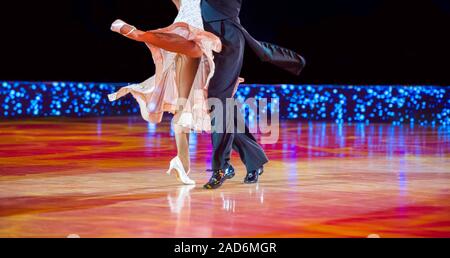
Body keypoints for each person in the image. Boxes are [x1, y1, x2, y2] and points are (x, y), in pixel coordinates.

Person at [108, 0, 223, 185]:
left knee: (183, 105)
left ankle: (182, 163)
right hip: (188, 34)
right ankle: (140, 34)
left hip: (189, 37)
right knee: (192, 61)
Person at [201, 0, 306, 189]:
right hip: (203, 36)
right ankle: (254, 160)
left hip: (226, 38)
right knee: (222, 105)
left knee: (218, 101)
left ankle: (221, 167)